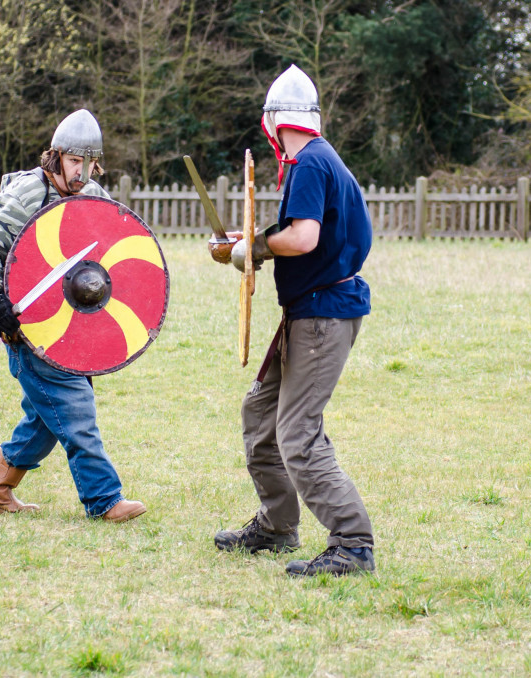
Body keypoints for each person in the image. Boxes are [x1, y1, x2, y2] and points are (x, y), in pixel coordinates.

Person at [212, 65, 375, 576]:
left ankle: (352, 542)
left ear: (272, 121)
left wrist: (252, 247)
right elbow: (308, 239)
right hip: (311, 311)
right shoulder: (323, 159)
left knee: (297, 434)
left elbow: (302, 239)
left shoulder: (308, 163)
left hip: (323, 317)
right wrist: (246, 247)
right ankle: (278, 525)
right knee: (261, 414)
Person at [0, 109, 145, 523]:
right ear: (56, 156)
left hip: (72, 328)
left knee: (47, 416)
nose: (82, 172)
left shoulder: (94, 197)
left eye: (89, 163)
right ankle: (104, 500)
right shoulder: (28, 194)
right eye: (74, 162)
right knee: (76, 408)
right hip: (27, 329)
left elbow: (112, 254)